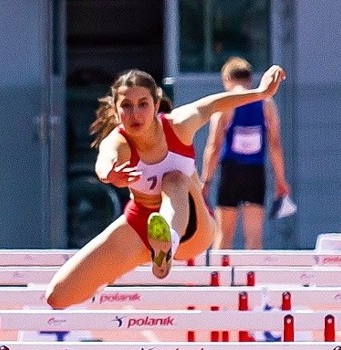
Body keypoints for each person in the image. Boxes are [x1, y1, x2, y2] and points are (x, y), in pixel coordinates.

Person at [45, 64, 286, 308]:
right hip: (140, 224)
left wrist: (260, 93)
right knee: (57, 295)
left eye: (142, 104)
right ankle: (157, 248)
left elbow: (213, 104)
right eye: (126, 106)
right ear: (116, 112)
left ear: (156, 104)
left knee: (174, 178)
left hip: (193, 228)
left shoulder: (179, 124)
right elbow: (105, 159)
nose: (135, 114)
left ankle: (166, 242)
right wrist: (109, 175)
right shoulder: (119, 140)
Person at [200, 57, 290, 251]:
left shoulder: (225, 104)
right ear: (249, 80)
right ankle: (253, 279)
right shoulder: (267, 103)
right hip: (255, 172)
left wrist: (205, 181)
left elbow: (214, 146)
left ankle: (219, 279)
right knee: (255, 238)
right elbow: (275, 145)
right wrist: (281, 180)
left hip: (230, 172)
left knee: (223, 235)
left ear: (227, 79)